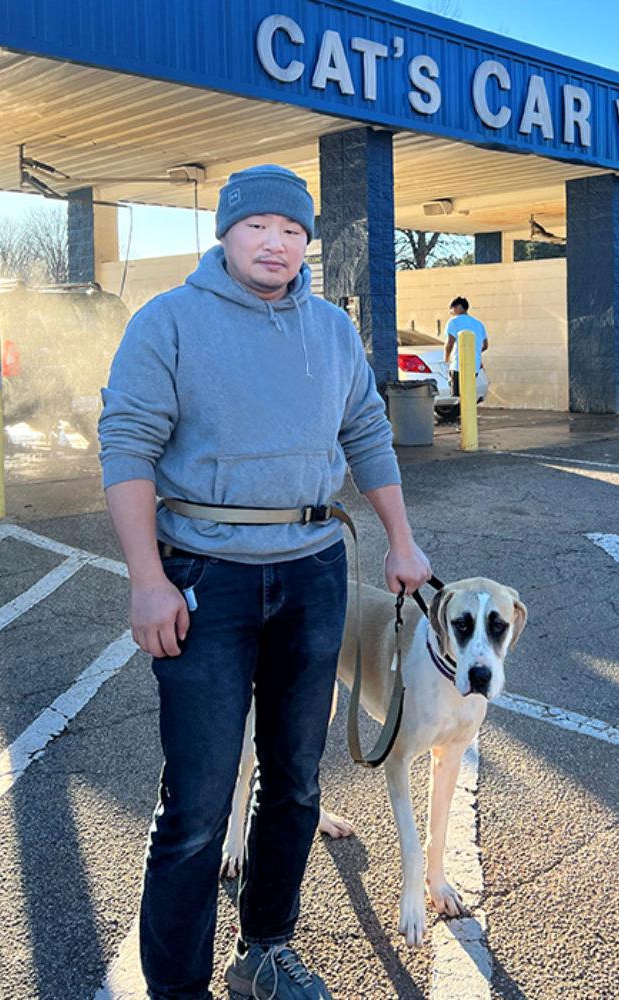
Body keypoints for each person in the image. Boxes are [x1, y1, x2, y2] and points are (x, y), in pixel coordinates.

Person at [98, 164, 430, 1000]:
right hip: (206, 577)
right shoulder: (167, 322)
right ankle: (177, 987)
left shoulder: (332, 330)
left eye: (292, 230)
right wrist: (147, 581)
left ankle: (265, 952)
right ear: (226, 233)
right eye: (258, 227)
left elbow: (366, 432)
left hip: (314, 569)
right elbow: (127, 447)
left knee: (295, 779)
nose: (275, 242)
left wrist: (402, 540)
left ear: (308, 242)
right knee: (199, 802)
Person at [444, 295, 489, 399]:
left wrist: (446, 359)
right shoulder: (478, 323)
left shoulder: (453, 321)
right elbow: (485, 345)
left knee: (456, 397)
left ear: (457, 307)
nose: (451, 312)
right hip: (474, 366)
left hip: (458, 365)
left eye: (451, 309)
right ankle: (468, 415)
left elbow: (449, 343)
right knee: (468, 395)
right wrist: (474, 353)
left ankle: (458, 415)